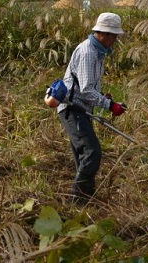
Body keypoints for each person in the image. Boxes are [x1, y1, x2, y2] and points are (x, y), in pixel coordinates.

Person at [57, 12, 127, 203]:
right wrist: (110, 106)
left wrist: (103, 99)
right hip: (72, 109)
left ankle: (86, 199)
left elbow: (89, 86)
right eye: (114, 36)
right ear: (103, 33)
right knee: (92, 152)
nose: (115, 39)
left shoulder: (98, 52)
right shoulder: (88, 52)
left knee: (83, 155)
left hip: (82, 109)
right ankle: (77, 201)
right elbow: (86, 89)